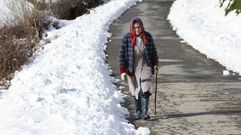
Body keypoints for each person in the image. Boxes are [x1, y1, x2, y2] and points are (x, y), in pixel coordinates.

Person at [119, 16, 159, 120]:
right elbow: (122, 56)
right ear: (132, 27)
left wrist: (155, 65)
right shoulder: (126, 38)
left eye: (139, 27)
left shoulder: (148, 37)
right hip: (132, 68)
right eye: (135, 27)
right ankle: (138, 112)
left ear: (142, 27)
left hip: (146, 66)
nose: (137, 29)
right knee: (135, 90)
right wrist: (123, 71)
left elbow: (153, 52)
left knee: (144, 89)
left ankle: (145, 113)